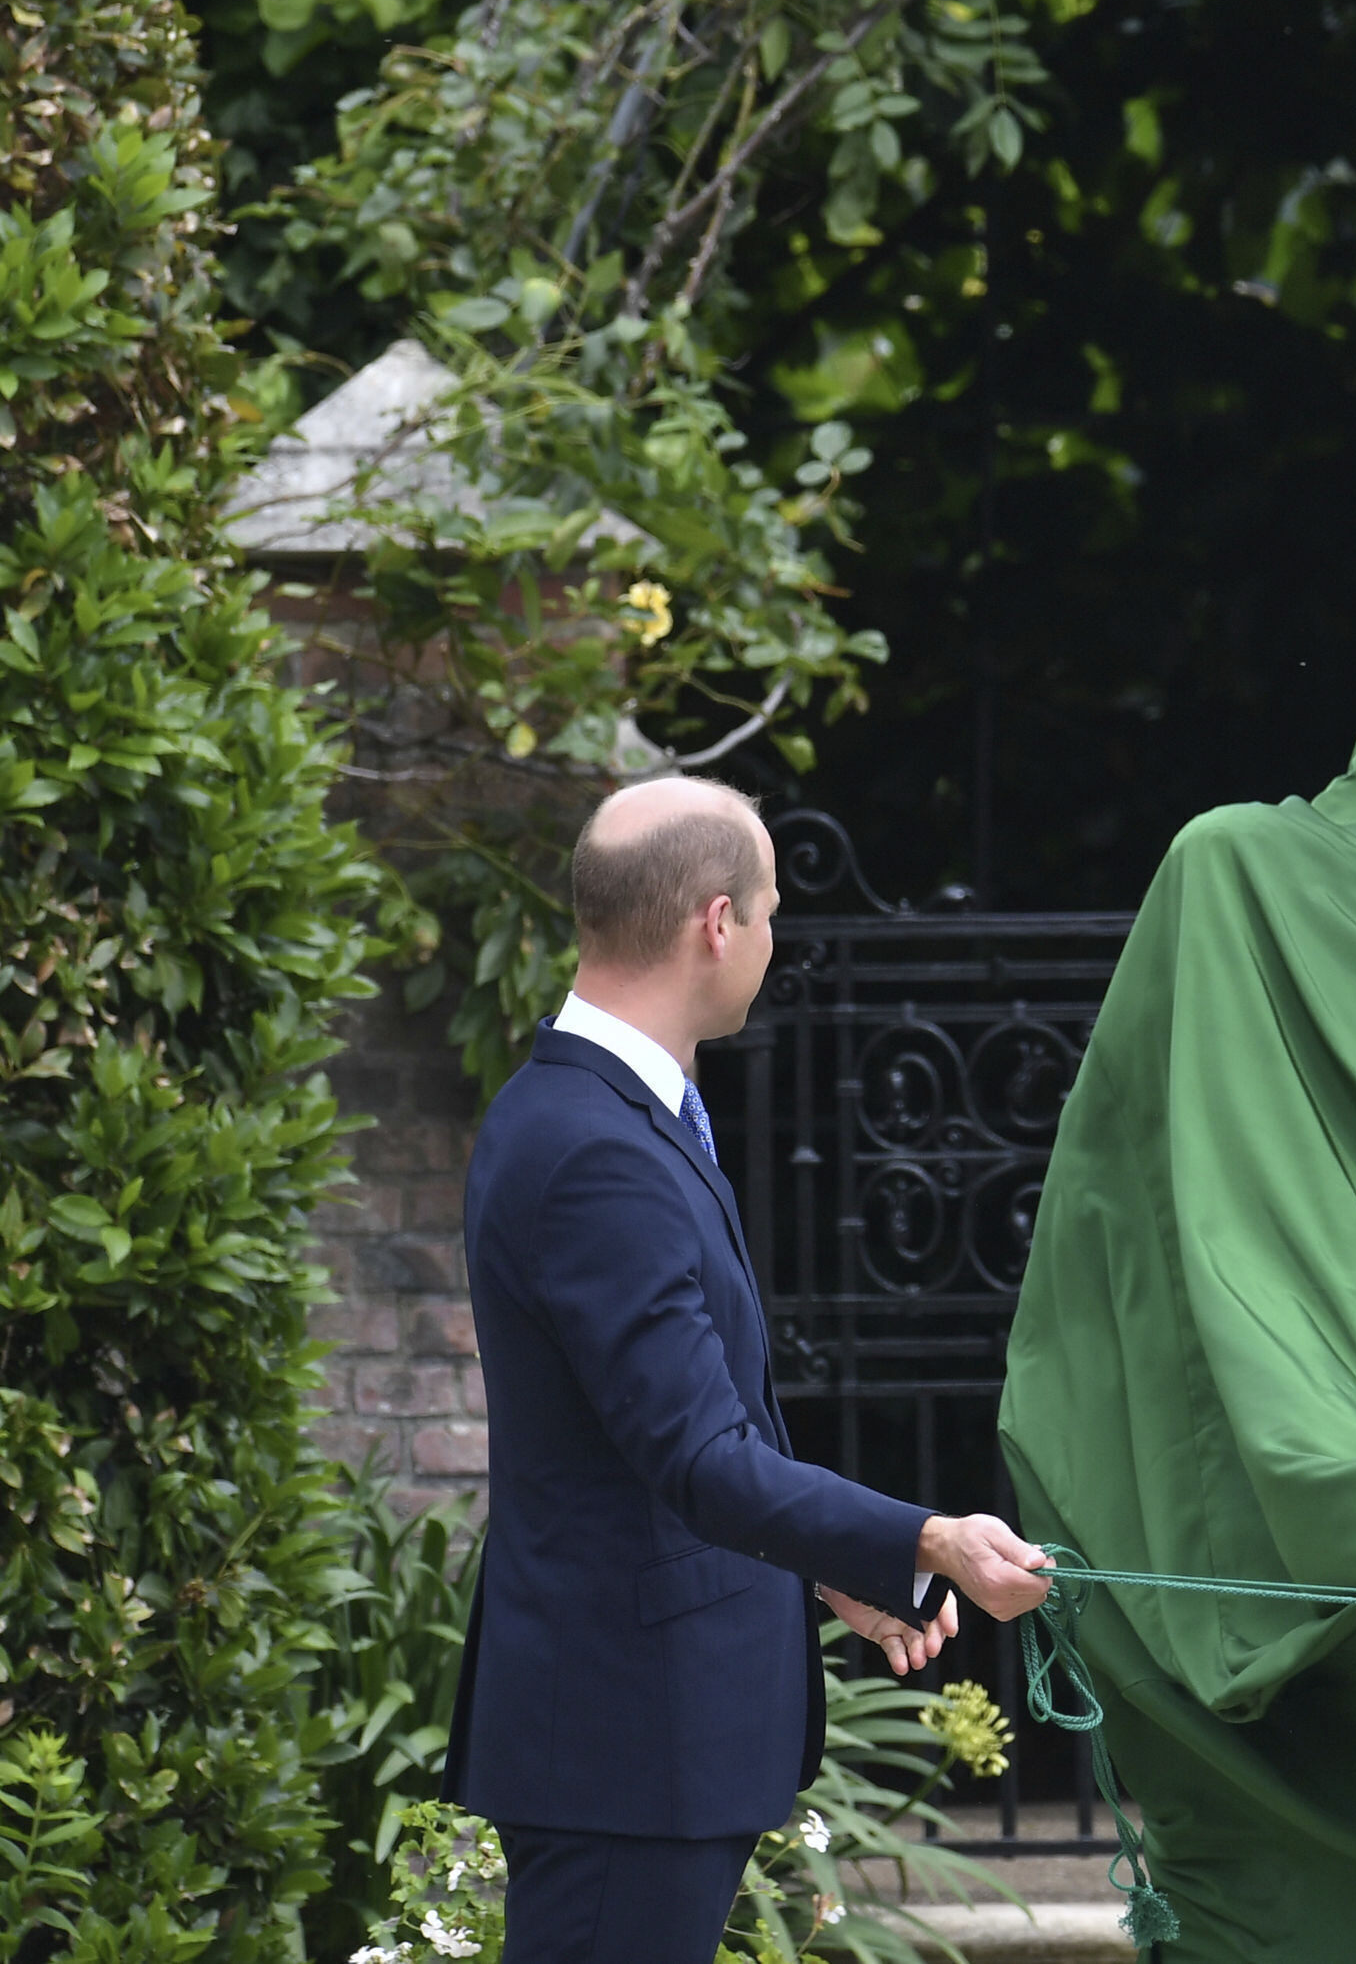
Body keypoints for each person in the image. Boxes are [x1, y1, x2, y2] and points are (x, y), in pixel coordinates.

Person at [443, 775, 1058, 1964]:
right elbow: (696, 1455)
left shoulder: (615, 1111)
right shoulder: (593, 1148)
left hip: (637, 1735)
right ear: (715, 923)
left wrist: (829, 1566)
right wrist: (927, 1537)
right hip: (626, 1739)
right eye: (771, 911)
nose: (774, 941)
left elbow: (663, 1431)